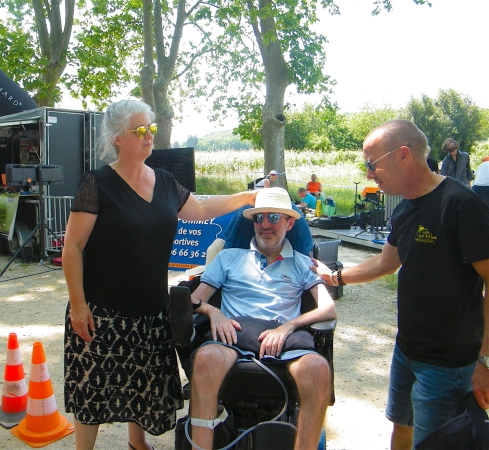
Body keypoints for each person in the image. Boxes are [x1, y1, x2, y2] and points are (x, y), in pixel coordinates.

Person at [61, 99, 259, 450]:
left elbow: (199, 210)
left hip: (151, 309)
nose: (149, 136)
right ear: (118, 138)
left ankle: (137, 443)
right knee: (93, 392)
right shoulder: (97, 183)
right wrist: (79, 306)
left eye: (150, 128)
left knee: (141, 385)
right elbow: (72, 248)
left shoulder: (165, 181)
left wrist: (245, 196)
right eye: (140, 130)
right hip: (101, 311)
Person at [310, 120, 489, 450]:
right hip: (406, 350)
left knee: (434, 443)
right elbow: (384, 263)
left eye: (371, 164)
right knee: (402, 429)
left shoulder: (462, 205)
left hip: (448, 364)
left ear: (403, 154)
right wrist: (333, 277)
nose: (369, 174)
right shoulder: (405, 208)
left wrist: (485, 360)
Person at [187, 187, 336, 450]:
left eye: (273, 218)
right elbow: (193, 299)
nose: (264, 225)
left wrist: (289, 326)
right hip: (233, 337)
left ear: (290, 223)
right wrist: (214, 312)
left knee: (318, 369)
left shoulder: (303, 263)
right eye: (259, 218)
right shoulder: (228, 258)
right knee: (205, 359)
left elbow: (328, 309)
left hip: (283, 342)